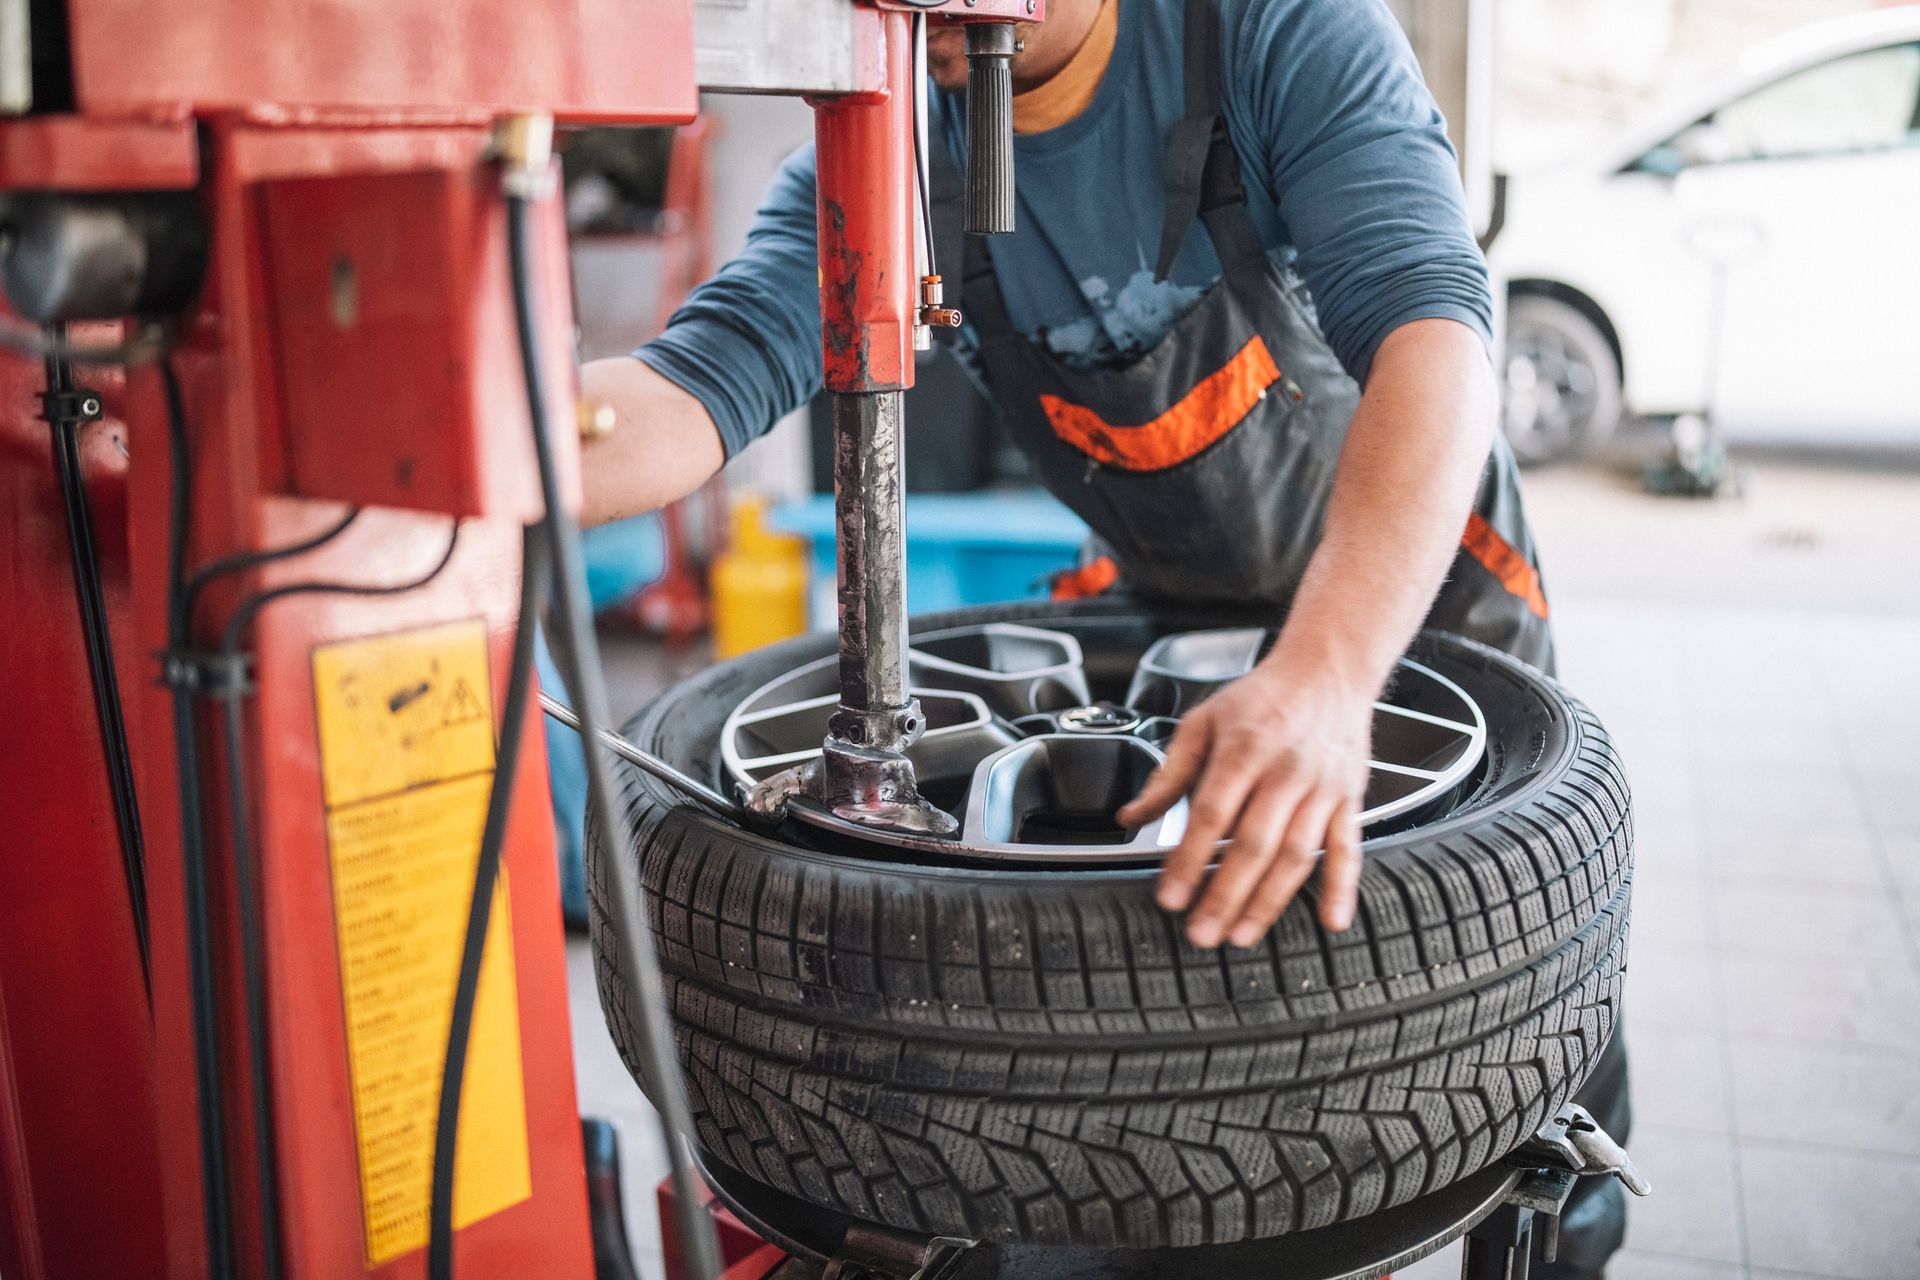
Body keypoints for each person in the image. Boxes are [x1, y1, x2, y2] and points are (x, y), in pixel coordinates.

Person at [577, 1, 1626, 1274]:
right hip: (1179, 616)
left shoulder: (1276, 31)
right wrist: (497, 425)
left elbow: (1437, 328)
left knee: (1516, 1016)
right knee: (1201, 1015)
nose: (939, 22)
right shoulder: (896, 128)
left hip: (1420, 612)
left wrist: (1331, 669)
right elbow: (706, 377)